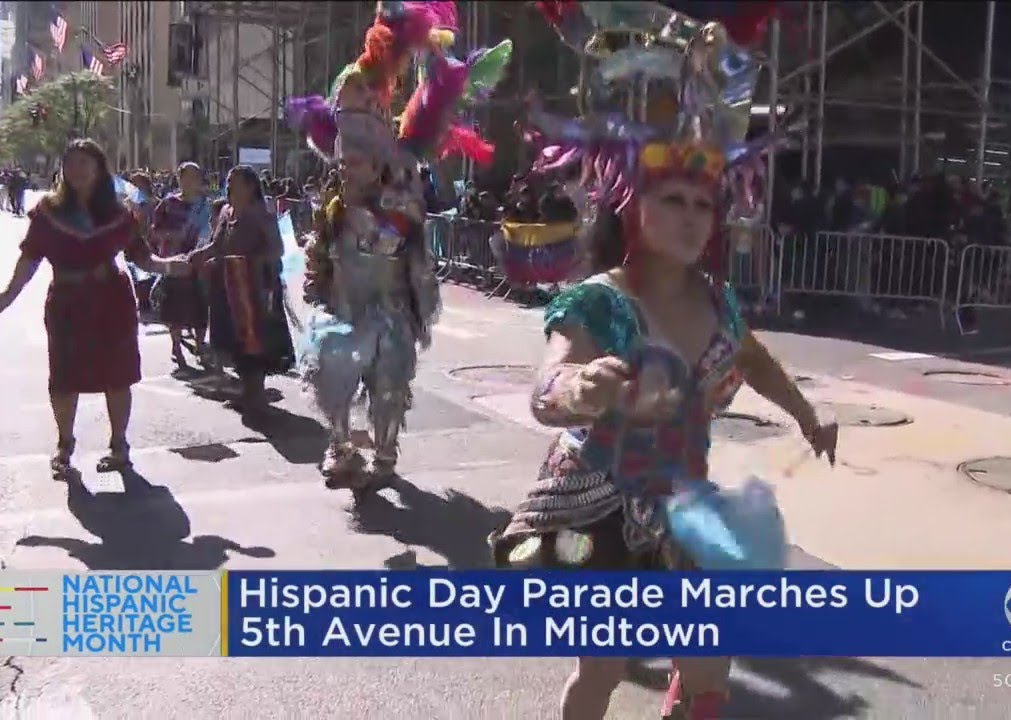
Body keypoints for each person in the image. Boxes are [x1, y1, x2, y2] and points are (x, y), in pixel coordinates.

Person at [490, 13, 835, 719]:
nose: (688, 217)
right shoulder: (600, 300)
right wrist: (579, 387)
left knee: (711, 677)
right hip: (600, 504)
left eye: (702, 205)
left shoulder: (719, 301)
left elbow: (754, 361)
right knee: (603, 671)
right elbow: (548, 383)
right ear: (634, 207)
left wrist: (806, 415)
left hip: (685, 508)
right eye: (670, 201)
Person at [286, 3, 505, 487]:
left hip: (387, 310)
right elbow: (322, 256)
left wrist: (378, 211)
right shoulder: (333, 203)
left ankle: (384, 454)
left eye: (359, 160)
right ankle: (342, 447)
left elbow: (392, 244)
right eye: (344, 160)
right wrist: (318, 265)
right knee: (327, 369)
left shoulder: (398, 201)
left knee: (388, 382)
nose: (348, 167)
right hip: (344, 308)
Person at [0, 139, 191, 476]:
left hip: (111, 301)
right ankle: (64, 445)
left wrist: (171, 266)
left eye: (85, 163)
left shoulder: (119, 213)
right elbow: (30, 257)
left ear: (98, 169)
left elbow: (142, 258)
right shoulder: (47, 212)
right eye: (71, 163)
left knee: (117, 375)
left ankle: (120, 446)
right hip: (67, 302)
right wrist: (8, 295)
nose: (77, 169)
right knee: (64, 378)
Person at [186, 165, 295, 410]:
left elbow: (276, 249)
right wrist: (199, 255)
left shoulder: (261, 214)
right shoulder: (226, 212)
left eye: (236, 182)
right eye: (229, 181)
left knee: (255, 339)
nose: (230, 186)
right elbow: (217, 244)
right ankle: (246, 391)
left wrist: (248, 261)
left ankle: (257, 394)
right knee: (234, 339)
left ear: (250, 186)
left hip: (257, 288)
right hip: (228, 287)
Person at [149, 162, 212, 367]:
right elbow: (154, 232)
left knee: (201, 306)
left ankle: (201, 344)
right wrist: (171, 236)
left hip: (199, 262)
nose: (191, 181)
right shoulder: (168, 204)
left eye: (195, 176)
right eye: (187, 176)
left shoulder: (205, 205)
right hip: (174, 262)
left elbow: (213, 231)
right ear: (179, 178)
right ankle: (176, 346)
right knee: (174, 307)